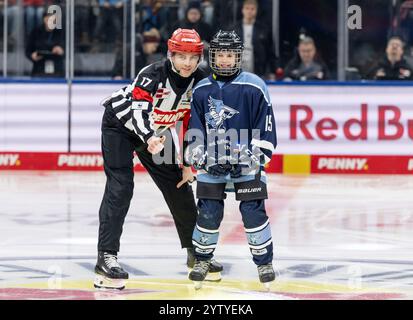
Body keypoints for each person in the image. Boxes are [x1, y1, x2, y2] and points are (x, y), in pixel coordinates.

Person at [94, 28, 223, 290]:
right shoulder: (151, 74)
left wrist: (188, 164)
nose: (187, 63)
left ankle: (196, 253)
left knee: (179, 184)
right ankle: (106, 258)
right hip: (120, 126)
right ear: (170, 55)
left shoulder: (201, 81)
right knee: (120, 187)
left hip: (157, 133)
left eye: (193, 57)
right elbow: (139, 112)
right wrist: (149, 137)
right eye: (181, 56)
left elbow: (191, 123)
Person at [185, 30, 277, 289]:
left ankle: (264, 262)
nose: (224, 60)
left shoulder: (255, 86)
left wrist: (248, 160)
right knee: (208, 213)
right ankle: (203, 259)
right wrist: (204, 160)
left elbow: (266, 129)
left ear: (238, 56)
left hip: (247, 166)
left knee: (253, 212)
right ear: (212, 56)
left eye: (230, 55)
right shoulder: (202, 89)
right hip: (212, 166)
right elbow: (195, 132)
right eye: (220, 54)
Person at [232, 0, 278, 79]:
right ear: (242, 10)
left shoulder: (264, 30)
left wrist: (272, 71)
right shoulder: (234, 29)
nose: (249, 11)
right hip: (237, 73)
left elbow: (270, 52)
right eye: (247, 8)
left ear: (256, 11)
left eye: (252, 9)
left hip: (259, 72)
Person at [25, 11, 65, 78]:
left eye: (54, 21)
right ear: (45, 19)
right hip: (39, 69)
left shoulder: (61, 32)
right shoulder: (36, 31)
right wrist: (32, 56)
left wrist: (62, 51)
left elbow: (69, 50)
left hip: (57, 69)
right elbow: (28, 51)